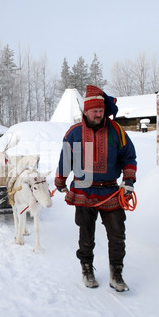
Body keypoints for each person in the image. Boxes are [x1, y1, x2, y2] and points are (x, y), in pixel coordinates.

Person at [55, 85, 137, 292]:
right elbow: (65, 161)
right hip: (83, 191)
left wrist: (128, 182)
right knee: (86, 233)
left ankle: (116, 273)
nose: (99, 114)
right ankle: (87, 268)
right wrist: (60, 182)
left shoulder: (117, 131)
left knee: (117, 234)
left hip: (111, 191)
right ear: (86, 111)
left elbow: (129, 158)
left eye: (101, 111)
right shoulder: (73, 133)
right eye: (95, 111)